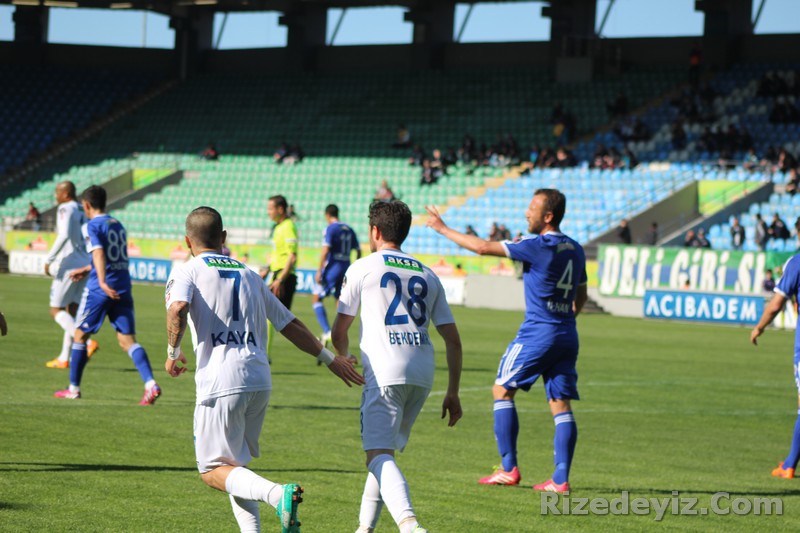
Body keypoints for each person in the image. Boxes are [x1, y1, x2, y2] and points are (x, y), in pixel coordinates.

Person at [165, 206, 364, 533]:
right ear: (223, 237)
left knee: (212, 470)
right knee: (234, 466)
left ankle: (277, 494)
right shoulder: (250, 275)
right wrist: (330, 359)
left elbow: (177, 308)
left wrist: (173, 352)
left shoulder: (188, 271)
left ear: (187, 241)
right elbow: (290, 324)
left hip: (221, 380)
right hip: (258, 378)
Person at [426, 188, 587, 493]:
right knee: (560, 404)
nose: (526, 213)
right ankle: (560, 479)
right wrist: (566, 318)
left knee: (501, 390)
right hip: (567, 334)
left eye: (532, 208)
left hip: (538, 332)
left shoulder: (537, 245)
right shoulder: (576, 249)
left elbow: (482, 247)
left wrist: (442, 228)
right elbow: (582, 294)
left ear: (548, 216)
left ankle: (508, 468)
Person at [331, 200, 463, 533]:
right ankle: (365, 529)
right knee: (384, 453)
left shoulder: (363, 267)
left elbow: (340, 329)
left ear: (375, 231)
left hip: (385, 369)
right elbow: (453, 340)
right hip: (422, 372)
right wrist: (453, 391)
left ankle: (410, 525)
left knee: (377, 455)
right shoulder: (427, 273)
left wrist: (343, 355)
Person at [54, 185, 159, 404]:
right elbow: (112, 257)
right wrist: (87, 269)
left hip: (100, 290)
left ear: (86, 205)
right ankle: (151, 384)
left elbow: (100, 253)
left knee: (80, 336)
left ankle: (73, 388)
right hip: (122, 287)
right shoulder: (117, 224)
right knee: (127, 341)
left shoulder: (91, 225)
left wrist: (101, 281)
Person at [751, 252, 800, 480]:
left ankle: (789, 466)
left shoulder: (796, 262)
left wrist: (759, 327)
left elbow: (775, 305)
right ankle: (790, 462)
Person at [43, 181, 97, 369]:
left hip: (69, 263)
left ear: (65, 193)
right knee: (71, 310)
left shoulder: (65, 208)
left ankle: (87, 342)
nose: (55, 196)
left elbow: (64, 234)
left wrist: (49, 259)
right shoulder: (83, 208)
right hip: (84, 261)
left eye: (57, 192)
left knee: (55, 310)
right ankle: (64, 357)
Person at [312, 204, 361, 348]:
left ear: (327, 215)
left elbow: (325, 250)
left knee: (316, 298)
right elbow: (358, 250)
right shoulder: (349, 229)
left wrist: (319, 270)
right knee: (339, 300)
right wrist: (355, 264)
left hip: (333, 268)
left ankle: (328, 331)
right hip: (346, 267)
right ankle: (341, 333)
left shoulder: (330, 228)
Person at [265, 195, 299, 359]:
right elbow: (280, 255)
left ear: (280, 209)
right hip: (277, 274)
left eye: (270, 208)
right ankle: (264, 353)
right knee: (275, 317)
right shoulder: (278, 227)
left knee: (279, 319)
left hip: (284, 277)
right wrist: (267, 270)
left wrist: (280, 279)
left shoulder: (288, 226)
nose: (268, 212)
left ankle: (264, 354)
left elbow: (292, 256)